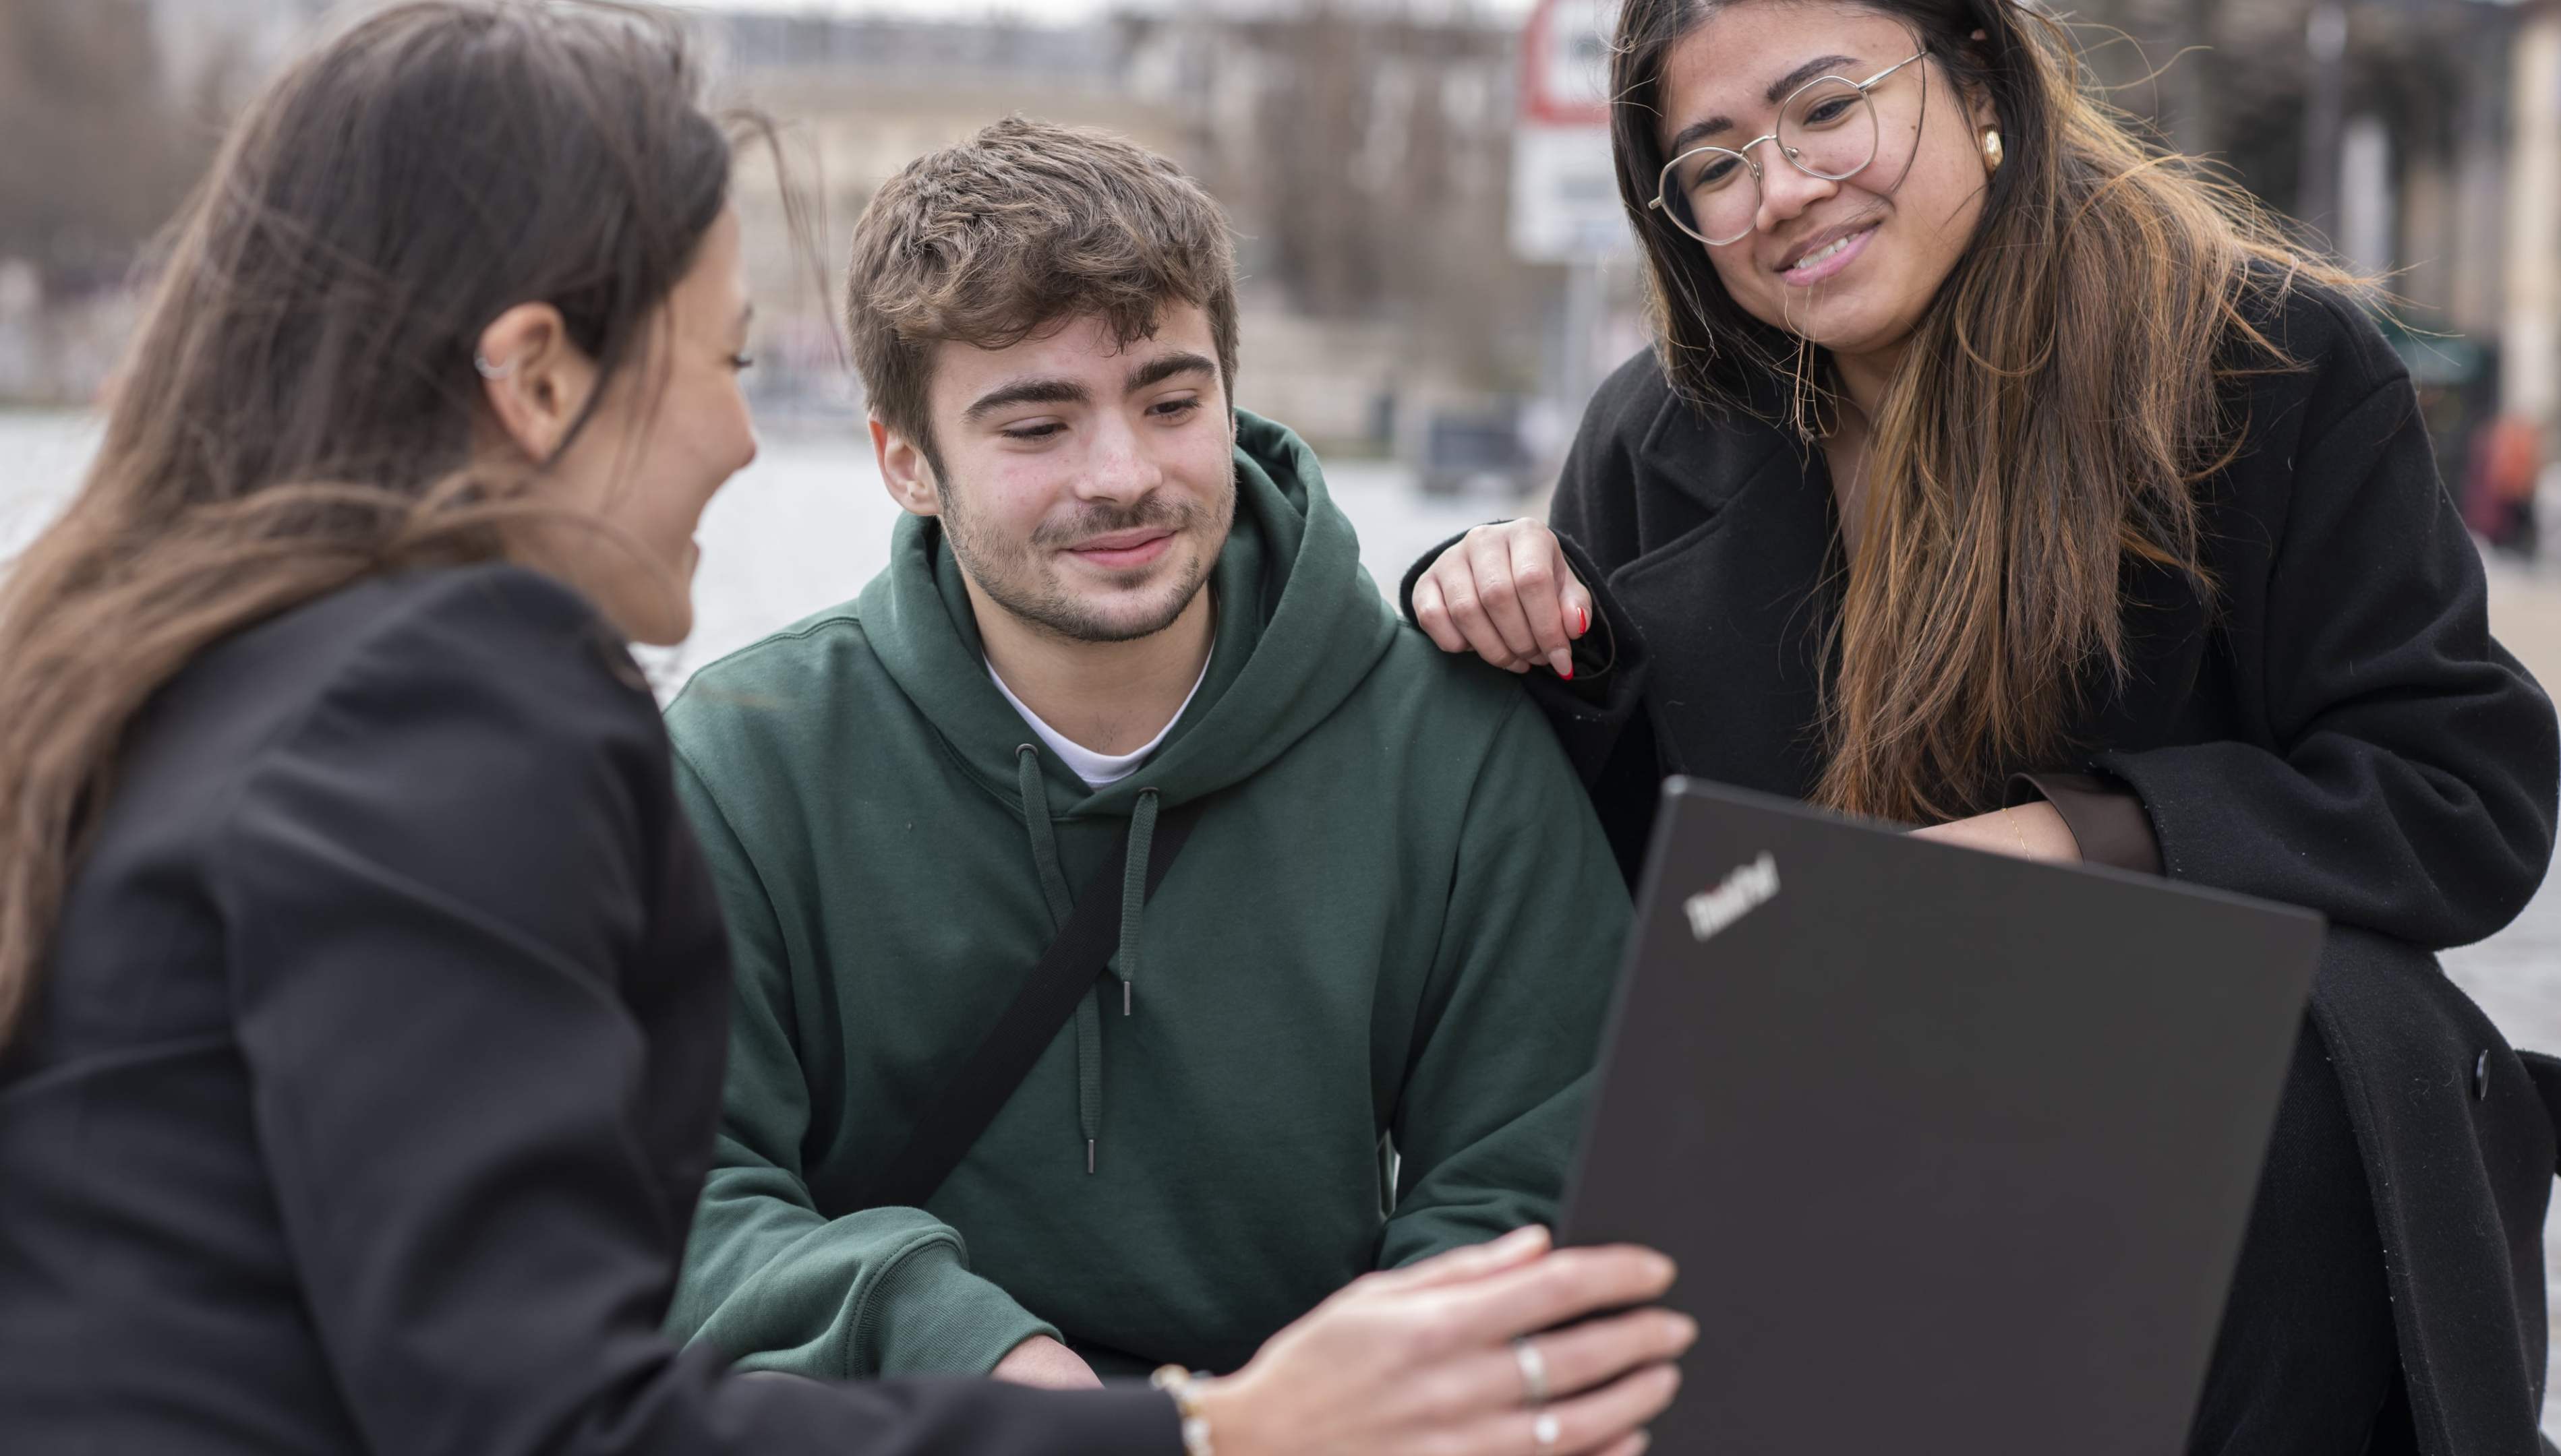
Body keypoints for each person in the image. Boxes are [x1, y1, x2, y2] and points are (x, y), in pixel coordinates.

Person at [0, 6, 1695, 1455]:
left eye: (1171, 401)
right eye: (724, 359)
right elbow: (564, 1404)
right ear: (530, 379)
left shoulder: (192, 688)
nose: (746, 437)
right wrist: (1201, 1428)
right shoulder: (448, 719)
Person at [1407, 0, 2561, 1450]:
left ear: (1976, 80)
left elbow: (2458, 793)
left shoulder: (2267, 362)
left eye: (1827, 108)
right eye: (1711, 165)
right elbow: (1612, 910)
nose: (1780, 191)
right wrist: (1528, 639)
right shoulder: (1657, 435)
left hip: (2234, 1186)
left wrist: (2073, 838)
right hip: (1840, 1178)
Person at [659, 117, 1635, 1391]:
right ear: (906, 461)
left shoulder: (1454, 747)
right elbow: (669, 1192)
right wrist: (973, 1355)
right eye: (1036, 427)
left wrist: (1345, 1405)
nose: (1121, 476)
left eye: (1171, 403)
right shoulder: (743, 761)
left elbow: (1542, 1171)